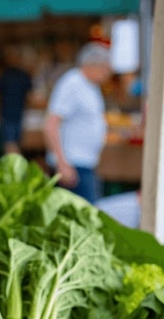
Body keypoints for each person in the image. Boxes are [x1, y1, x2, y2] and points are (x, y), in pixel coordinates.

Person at [43, 43, 112, 203]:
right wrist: (62, 163)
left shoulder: (91, 86)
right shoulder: (72, 83)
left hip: (85, 162)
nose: (107, 74)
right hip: (72, 163)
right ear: (92, 64)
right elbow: (51, 124)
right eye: (104, 68)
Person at [0, 47, 33, 155]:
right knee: (14, 144)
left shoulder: (4, 75)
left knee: (10, 145)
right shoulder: (24, 75)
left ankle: (14, 169)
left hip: (7, 114)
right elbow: (31, 97)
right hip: (20, 114)